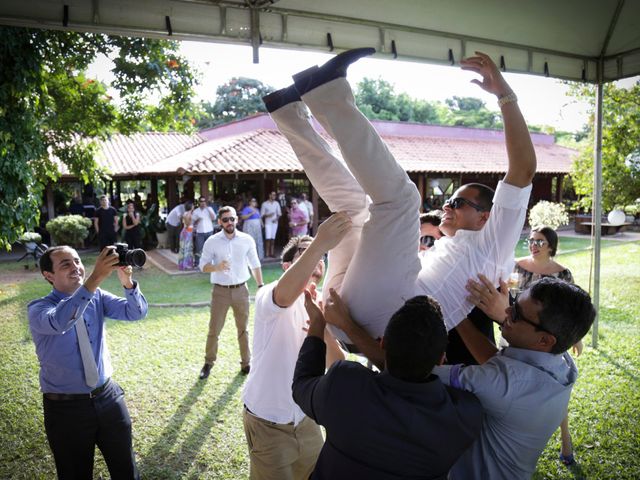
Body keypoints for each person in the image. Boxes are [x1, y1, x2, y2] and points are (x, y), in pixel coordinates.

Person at [263, 48, 536, 346]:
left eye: (458, 202)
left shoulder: (494, 243)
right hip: (356, 309)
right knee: (351, 209)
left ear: (486, 217)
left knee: (402, 201)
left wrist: (504, 94)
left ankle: (326, 91)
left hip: (385, 319)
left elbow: (523, 170)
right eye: (449, 200)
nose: (447, 205)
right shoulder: (453, 247)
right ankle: (288, 112)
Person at [292, 291, 483, 479]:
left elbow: (302, 384)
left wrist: (317, 324)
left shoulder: (343, 385)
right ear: (442, 359)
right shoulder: (464, 418)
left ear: (382, 343)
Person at [435, 277, 595, 479]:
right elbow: (497, 365)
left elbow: (410, 370)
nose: (507, 311)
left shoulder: (504, 382)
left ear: (544, 340)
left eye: (517, 313)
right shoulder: (562, 361)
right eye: (514, 302)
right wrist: (458, 316)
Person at [242, 213, 350, 480]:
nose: (317, 260)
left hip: (307, 419)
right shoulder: (269, 295)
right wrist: (320, 243)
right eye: (304, 255)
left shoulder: (325, 308)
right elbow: (284, 294)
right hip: (269, 422)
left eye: (321, 258)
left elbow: (339, 366)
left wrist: (322, 327)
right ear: (286, 265)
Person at [28, 245, 148, 479]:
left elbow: (136, 313)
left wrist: (127, 283)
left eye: (77, 261)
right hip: (65, 409)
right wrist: (94, 279)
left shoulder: (97, 296)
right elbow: (60, 321)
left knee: (126, 469)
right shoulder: (38, 309)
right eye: (65, 264)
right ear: (48, 276)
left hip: (109, 398)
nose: (75, 267)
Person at [467, 225, 580, 466]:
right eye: (531, 240)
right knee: (505, 376)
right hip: (511, 328)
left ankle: (565, 438)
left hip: (542, 343)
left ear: (551, 246)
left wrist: (575, 337)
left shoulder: (563, 274)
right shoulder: (516, 266)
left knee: (550, 392)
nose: (533, 245)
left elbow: (570, 314)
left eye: (539, 241)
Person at [198, 206, 263, 379]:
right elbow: (202, 266)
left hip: (241, 290)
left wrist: (261, 286)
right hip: (220, 292)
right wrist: (217, 267)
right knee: (214, 329)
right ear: (220, 222)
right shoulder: (211, 241)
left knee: (243, 329)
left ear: (237, 220)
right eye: (225, 220)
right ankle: (208, 363)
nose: (229, 222)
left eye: (232, 219)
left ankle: (246, 363)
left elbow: (255, 264)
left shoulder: (247, 239)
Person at [192, 196, 217, 264]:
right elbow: (193, 222)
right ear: (199, 202)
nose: (203, 203)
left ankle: (210, 262)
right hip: (200, 231)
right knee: (199, 248)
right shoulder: (196, 211)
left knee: (210, 247)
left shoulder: (209, 209)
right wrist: (197, 220)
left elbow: (214, 218)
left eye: (204, 201)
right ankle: (197, 262)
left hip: (209, 231)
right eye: (201, 201)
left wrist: (208, 209)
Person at [260, 191, 282, 258]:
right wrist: (268, 215)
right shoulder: (264, 204)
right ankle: (267, 253)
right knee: (267, 239)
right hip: (268, 223)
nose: (274, 196)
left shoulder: (276, 203)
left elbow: (279, 214)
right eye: (273, 195)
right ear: (269, 195)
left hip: (275, 223)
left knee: (273, 238)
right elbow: (262, 215)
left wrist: (276, 219)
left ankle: (272, 253)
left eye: (275, 195)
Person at [178, 201, 195, 271]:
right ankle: (186, 265)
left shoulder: (185, 213)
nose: (194, 206)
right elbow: (188, 223)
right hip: (188, 231)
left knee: (183, 248)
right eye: (193, 205)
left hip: (185, 231)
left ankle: (183, 264)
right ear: (191, 207)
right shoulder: (189, 214)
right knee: (187, 248)